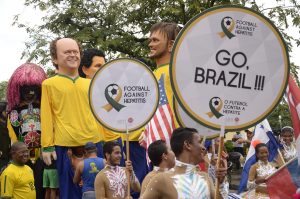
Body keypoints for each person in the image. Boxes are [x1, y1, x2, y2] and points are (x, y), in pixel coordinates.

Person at [41, 38, 102, 199]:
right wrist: (47, 145)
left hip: (95, 143)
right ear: (55, 58)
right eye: (67, 52)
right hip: (65, 146)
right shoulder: (49, 84)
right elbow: (46, 117)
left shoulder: (91, 84)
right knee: (69, 192)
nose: (73, 55)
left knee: (100, 190)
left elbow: (102, 114)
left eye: (75, 52)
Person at [141, 127, 229, 199]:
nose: (203, 147)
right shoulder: (162, 180)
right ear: (187, 145)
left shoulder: (205, 178)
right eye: (199, 142)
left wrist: (220, 184)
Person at [6, 63, 47, 199]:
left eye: (34, 88)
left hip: (42, 153)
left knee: (41, 183)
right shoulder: (14, 111)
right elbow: (13, 131)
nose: (30, 92)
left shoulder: (45, 107)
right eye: (26, 89)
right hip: (22, 153)